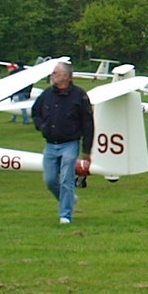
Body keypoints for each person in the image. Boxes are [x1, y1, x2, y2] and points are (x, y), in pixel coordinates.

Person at [30, 62, 94, 225]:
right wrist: (42, 126)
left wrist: (86, 150)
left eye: (55, 73)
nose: (52, 76)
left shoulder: (79, 96)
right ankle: (70, 200)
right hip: (50, 144)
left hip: (70, 144)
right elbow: (35, 112)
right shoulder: (46, 94)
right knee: (50, 180)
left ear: (65, 76)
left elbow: (88, 123)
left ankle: (65, 215)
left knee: (66, 178)